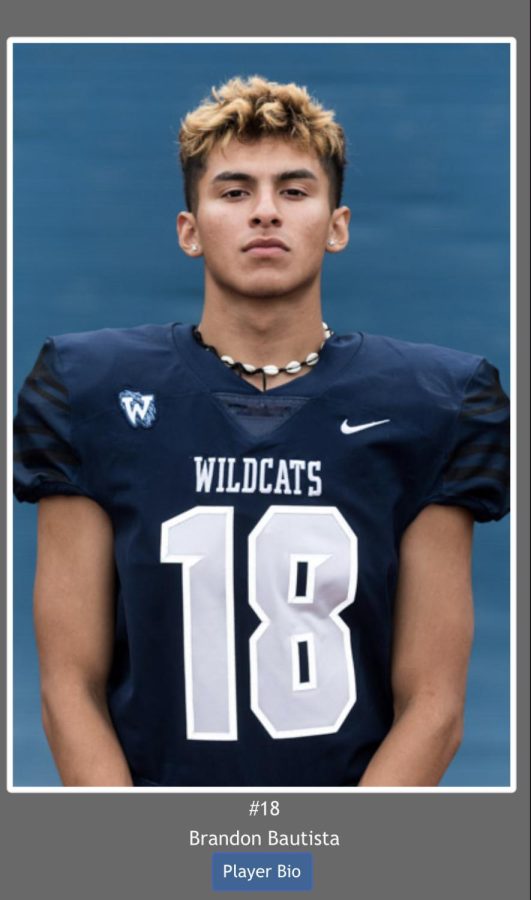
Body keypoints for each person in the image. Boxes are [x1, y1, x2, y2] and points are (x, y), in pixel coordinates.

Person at [13, 75, 510, 787]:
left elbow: (433, 702)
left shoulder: (433, 402)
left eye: (295, 190)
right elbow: (70, 686)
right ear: (190, 230)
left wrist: (343, 865)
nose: (265, 213)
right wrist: (133, 862)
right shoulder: (88, 387)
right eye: (234, 191)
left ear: (336, 225)